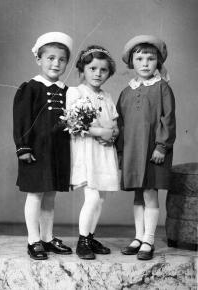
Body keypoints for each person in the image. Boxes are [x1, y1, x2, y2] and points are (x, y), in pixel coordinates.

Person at [13, 32, 73, 260]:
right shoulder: (30, 88)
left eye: (61, 59)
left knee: (50, 196)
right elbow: (21, 120)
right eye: (50, 58)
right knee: (36, 195)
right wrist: (23, 147)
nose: (56, 63)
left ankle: (47, 238)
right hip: (36, 151)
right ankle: (33, 240)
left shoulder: (68, 91)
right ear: (39, 59)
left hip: (57, 151)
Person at [116, 35, 176, 260]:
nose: (144, 63)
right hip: (133, 151)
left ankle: (149, 239)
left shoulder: (162, 88)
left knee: (151, 192)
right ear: (131, 62)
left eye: (150, 59)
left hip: (153, 151)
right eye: (139, 58)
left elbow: (168, 119)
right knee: (138, 195)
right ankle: (138, 236)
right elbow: (119, 123)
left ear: (158, 63)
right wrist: (121, 152)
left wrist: (162, 146)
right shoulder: (126, 91)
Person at [66, 45, 119, 260]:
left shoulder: (106, 97)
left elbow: (114, 124)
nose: (98, 73)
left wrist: (112, 134)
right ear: (82, 70)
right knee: (92, 195)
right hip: (87, 151)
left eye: (103, 70)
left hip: (104, 151)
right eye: (92, 68)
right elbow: (74, 122)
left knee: (101, 198)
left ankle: (89, 236)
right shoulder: (76, 92)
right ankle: (82, 241)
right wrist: (100, 131)